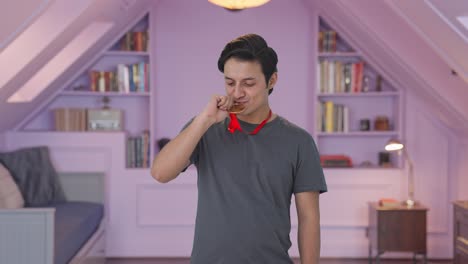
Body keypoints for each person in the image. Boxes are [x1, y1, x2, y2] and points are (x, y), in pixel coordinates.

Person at [151, 33, 327, 264]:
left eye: (248, 83)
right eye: (230, 82)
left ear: (272, 80)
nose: (237, 93)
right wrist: (204, 120)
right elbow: (160, 173)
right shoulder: (205, 127)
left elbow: (308, 218)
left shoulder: (299, 141)